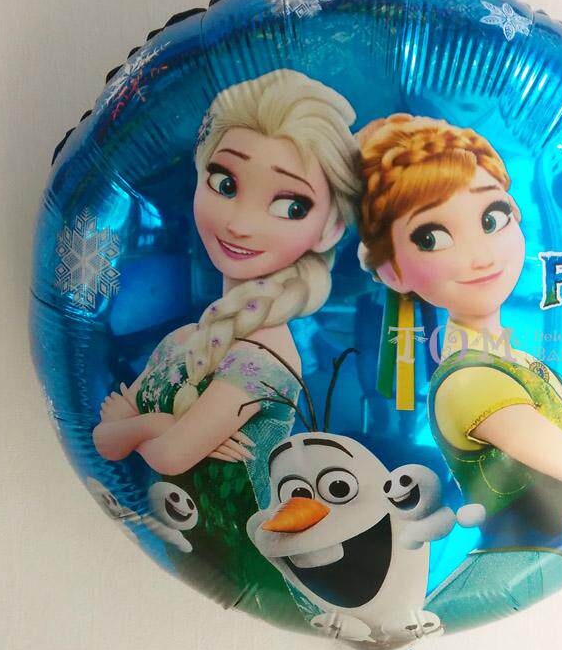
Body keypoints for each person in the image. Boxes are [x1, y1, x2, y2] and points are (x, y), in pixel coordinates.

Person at [92, 69, 361, 620]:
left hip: (245, 565)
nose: (239, 223)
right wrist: (167, 431)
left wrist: (145, 423)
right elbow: (103, 442)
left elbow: (166, 452)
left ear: (331, 227)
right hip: (182, 557)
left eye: (290, 206)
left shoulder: (265, 359)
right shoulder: (182, 341)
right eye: (224, 183)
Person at [356, 114, 562, 541]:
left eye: (492, 219)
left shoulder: (512, 359)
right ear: (392, 271)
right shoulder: (472, 383)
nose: (481, 256)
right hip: (520, 563)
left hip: (547, 559)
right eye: (431, 238)